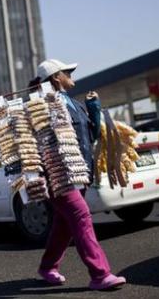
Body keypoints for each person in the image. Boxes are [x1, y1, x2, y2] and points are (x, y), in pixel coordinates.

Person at [30, 59, 126, 290]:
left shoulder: (73, 103)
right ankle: (100, 274)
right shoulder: (40, 105)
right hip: (57, 175)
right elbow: (35, 143)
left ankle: (47, 267)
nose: (72, 74)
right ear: (56, 78)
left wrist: (93, 108)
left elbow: (92, 135)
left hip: (79, 171)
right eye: (67, 72)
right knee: (81, 215)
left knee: (64, 224)